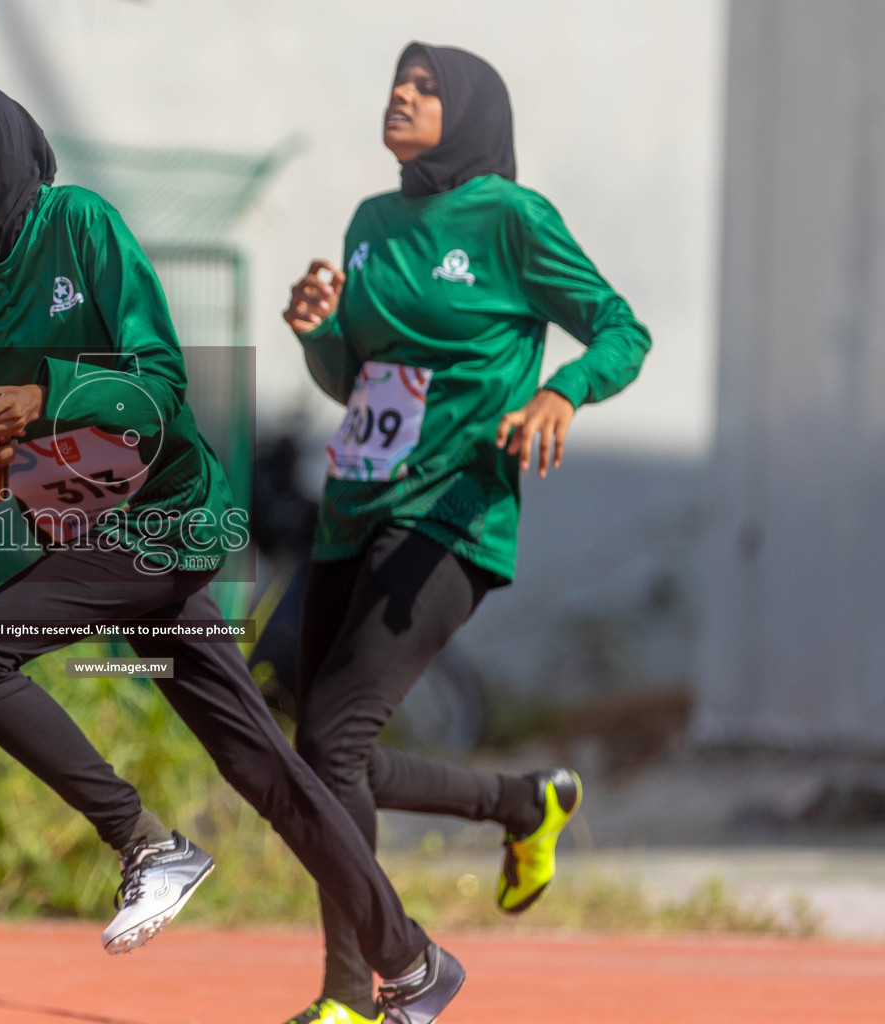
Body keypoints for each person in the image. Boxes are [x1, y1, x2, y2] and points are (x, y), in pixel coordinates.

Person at [0, 82, 443, 996]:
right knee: (263, 763)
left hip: (167, 516)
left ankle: (148, 842)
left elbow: (163, 377)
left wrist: (45, 396)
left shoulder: (79, 226)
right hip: (81, 524)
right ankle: (413, 960)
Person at [279, 43, 652, 1024]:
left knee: (332, 738)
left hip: (453, 510)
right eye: (398, 82)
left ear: (474, 112)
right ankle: (523, 804)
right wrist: (320, 329)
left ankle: (357, 993)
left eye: (428, 86)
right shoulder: (369, 222)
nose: (402, 95)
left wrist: (562, 392)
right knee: (322, 755)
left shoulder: (511, 219)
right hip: (352, 505)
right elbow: (355, 379)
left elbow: (619, 328)